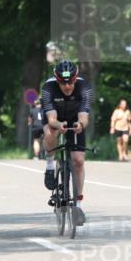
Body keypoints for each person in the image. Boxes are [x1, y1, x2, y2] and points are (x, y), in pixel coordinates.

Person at [41, 60, 92, 225]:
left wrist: (80, 125)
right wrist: (58, 125)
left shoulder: (84, 87)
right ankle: (50, 166)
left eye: (71, 81)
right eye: (63, 82)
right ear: (57, 80)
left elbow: (84, 117)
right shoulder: (48, 88)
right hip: (55, 118)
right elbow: (52, 119)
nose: (68, 86)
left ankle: (77, 206)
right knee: (50, 131)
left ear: (76, 78)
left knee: (78, 161)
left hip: (75, 119)